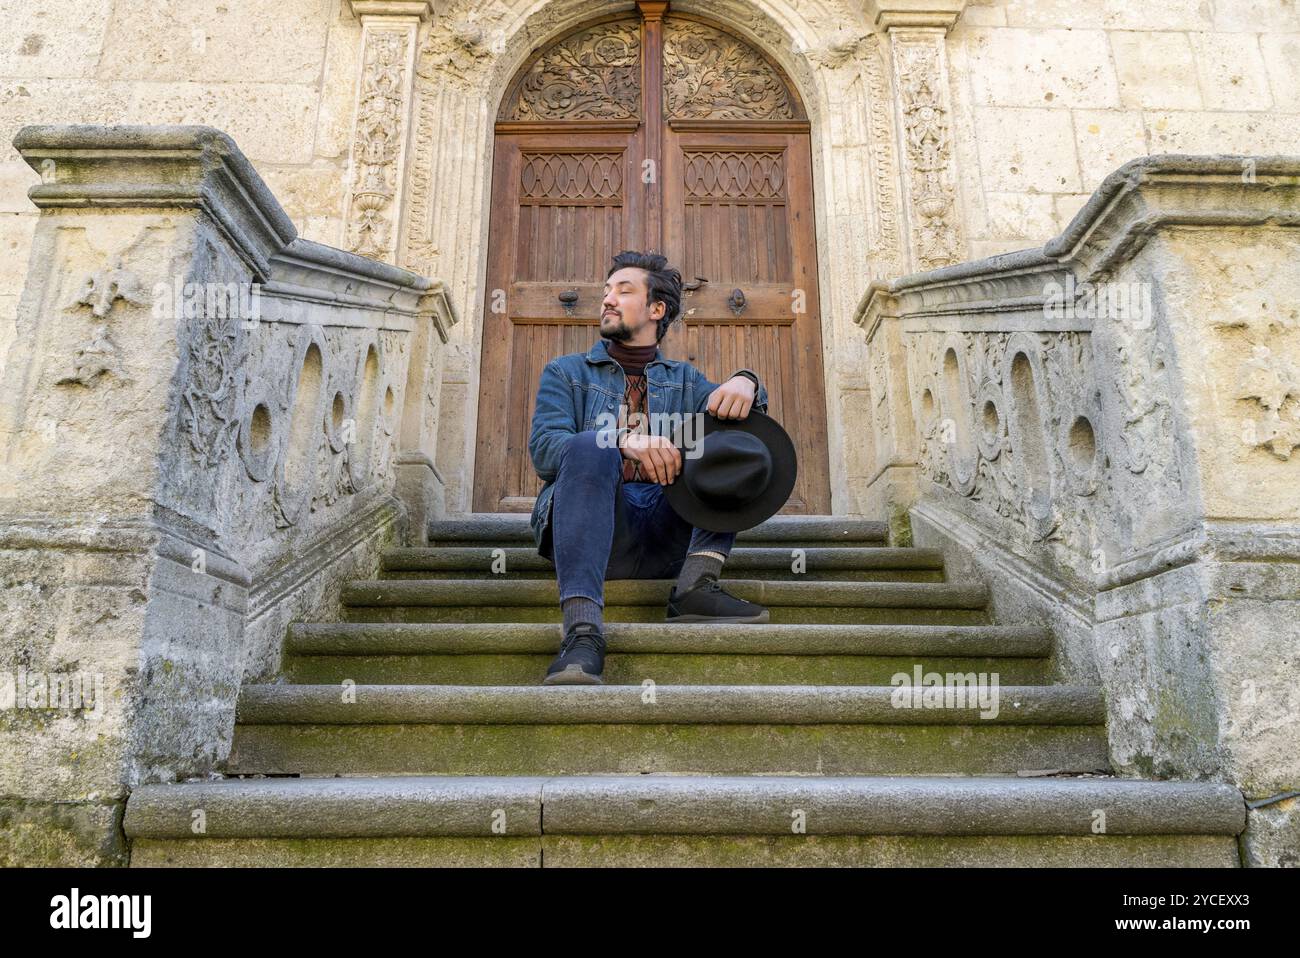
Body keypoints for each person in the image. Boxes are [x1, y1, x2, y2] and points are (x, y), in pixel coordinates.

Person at [528, 250, 772, 685]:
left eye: (623, 291)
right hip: (597, 533)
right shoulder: (566, 373)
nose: (607, 299)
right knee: (588, 446)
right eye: (606, 291)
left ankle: (696, 586)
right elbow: (547, 452)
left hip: (668, 535)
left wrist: (747, 381)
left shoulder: (686, 380)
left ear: (657, 309)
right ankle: (582, 634)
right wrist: (621, 441)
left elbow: (741, 423)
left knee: (730, 445)